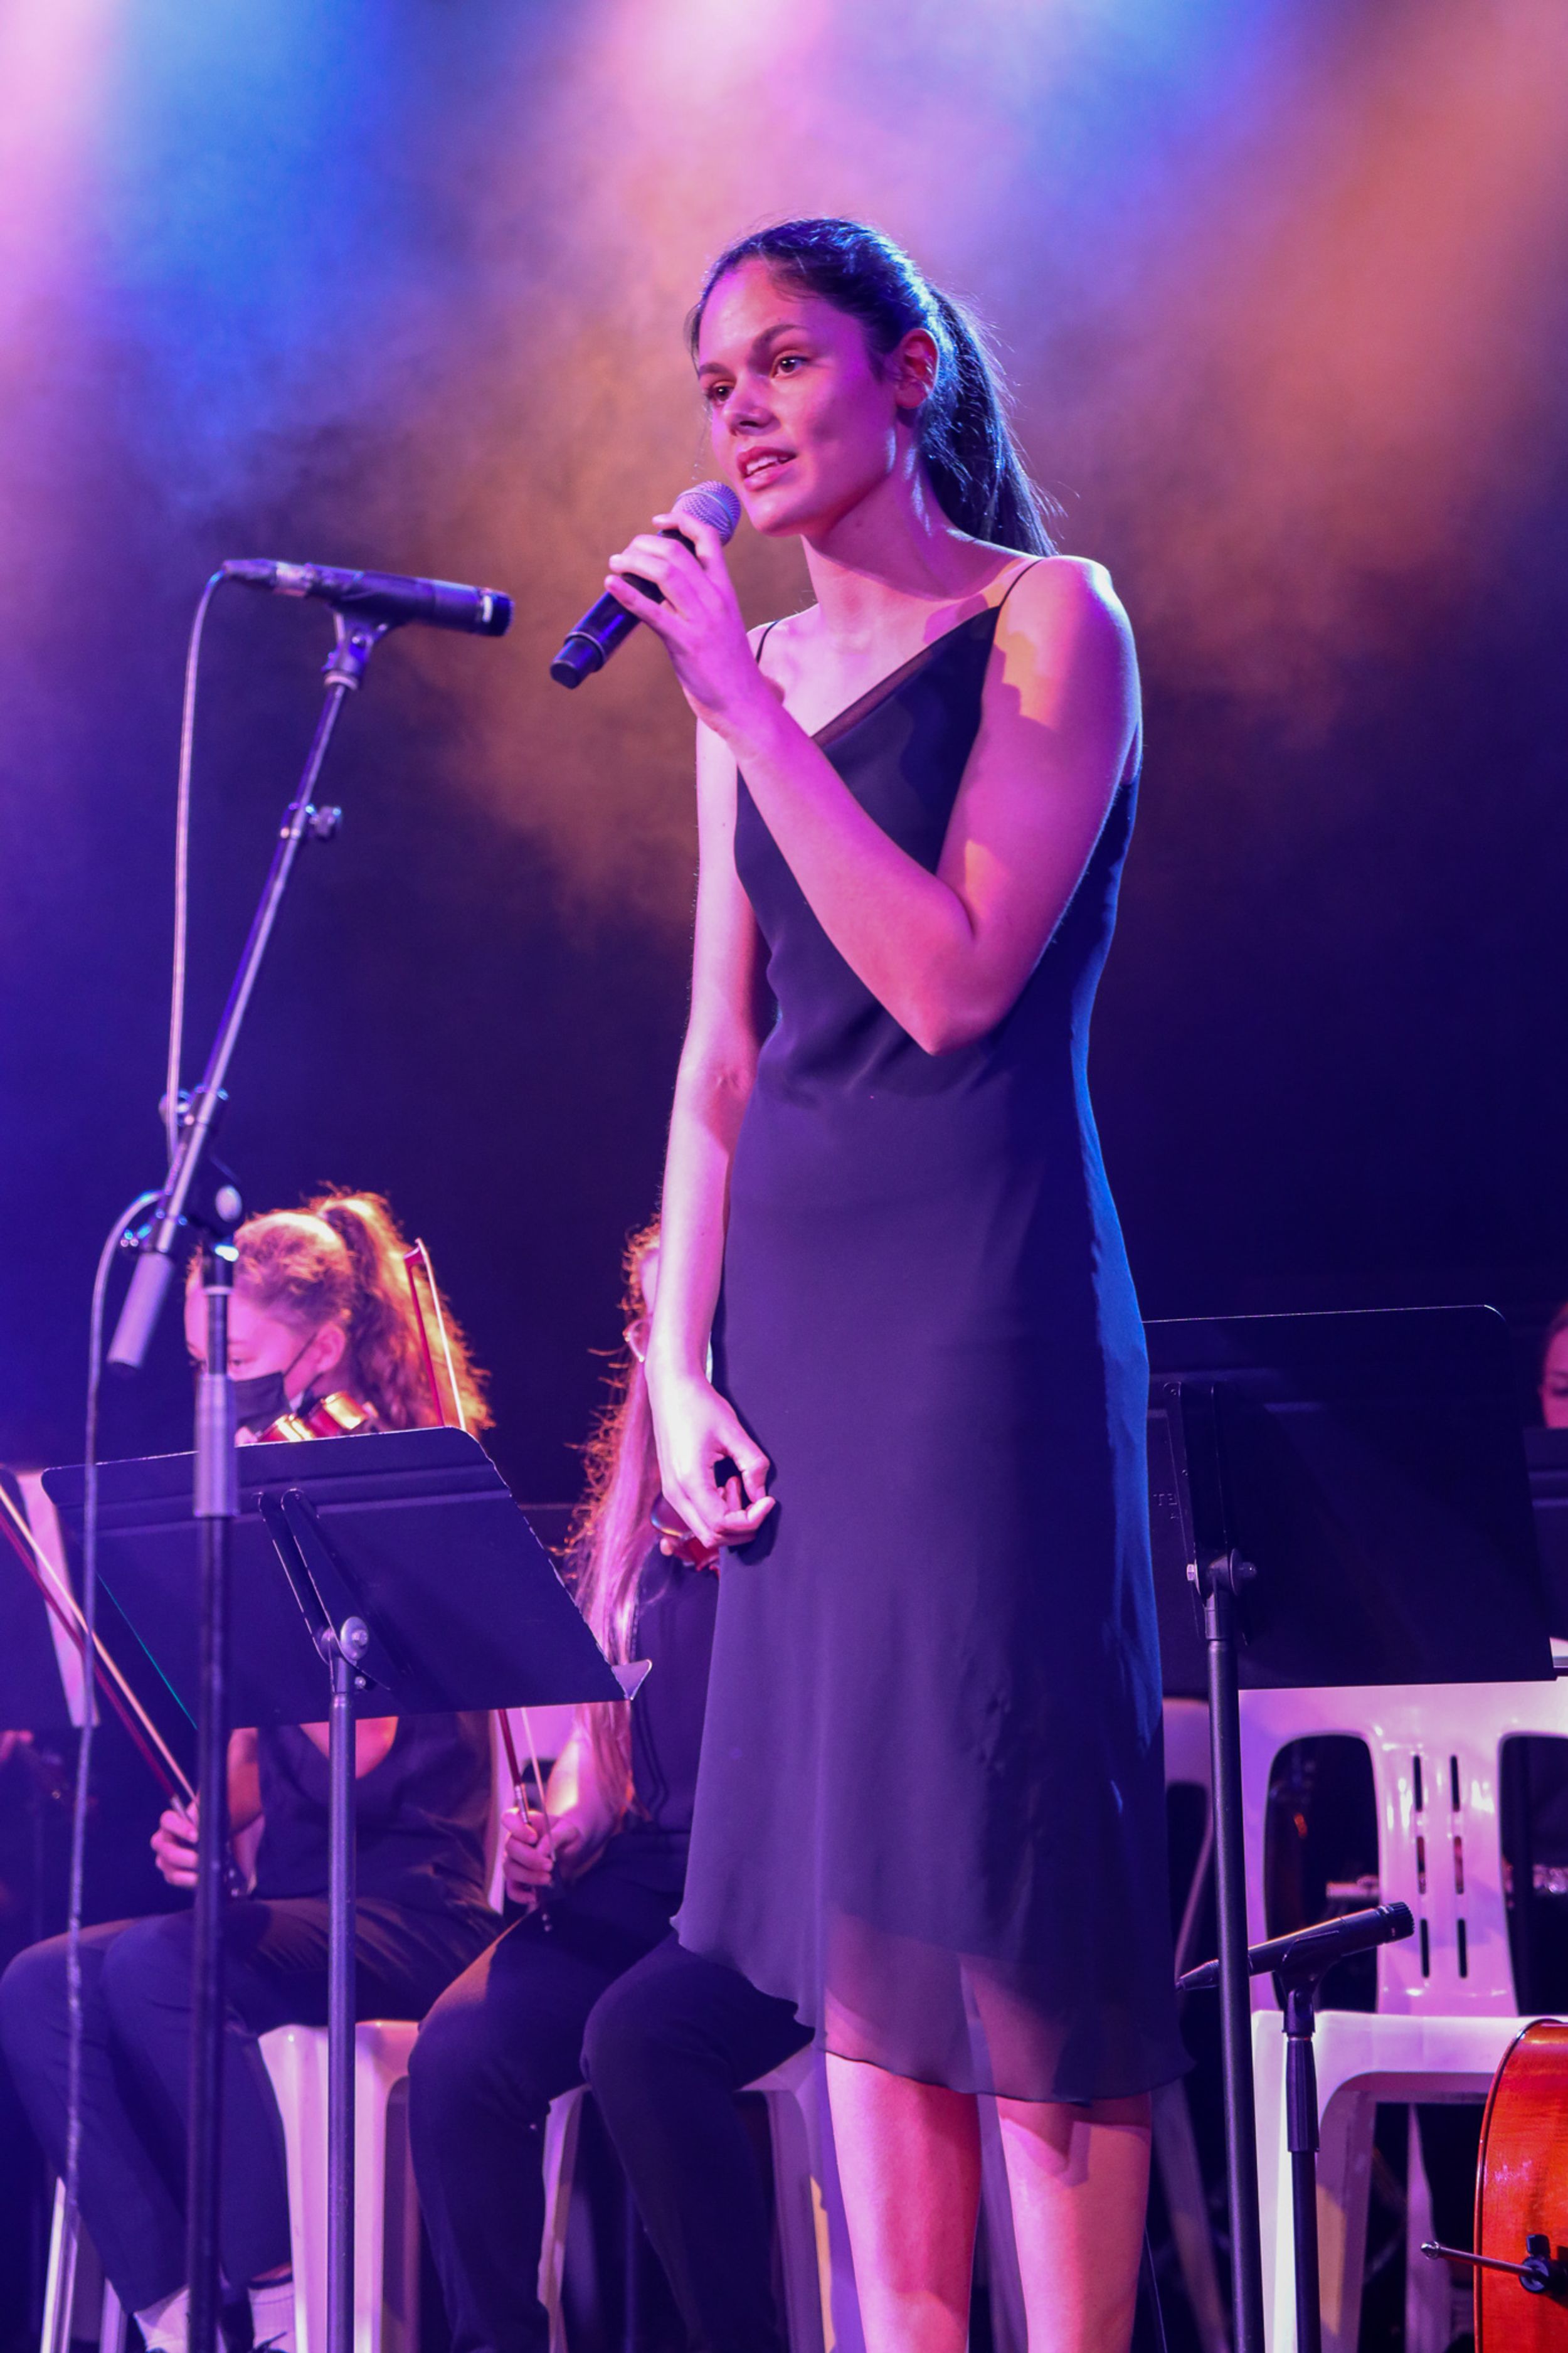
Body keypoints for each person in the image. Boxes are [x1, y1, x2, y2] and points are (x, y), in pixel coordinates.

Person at [603, 217, 1187, 2353]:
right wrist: (681, 1368)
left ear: (907, 370)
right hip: (805, 1343)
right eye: (716, 386)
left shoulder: (1053, 619)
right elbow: (720, 1060)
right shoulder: (747, 695)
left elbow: (949, 982)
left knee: (1007, 1882)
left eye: (784, 361)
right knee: (861, 1906)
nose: (745, 414)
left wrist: (746, 709)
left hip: (980, 1321)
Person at [0, 1192, 497, 2353]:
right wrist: (204, 1822)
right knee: (37, 1985)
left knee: (160, 1970)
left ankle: (282, 2308)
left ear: (321, 1351)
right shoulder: (255, 1497)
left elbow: (361, 1758)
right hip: (294, 1905)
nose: (213, 1391)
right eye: (199, 1364)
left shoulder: (385, 1497)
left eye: (236, 1362)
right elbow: (248, 1771)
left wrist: (286, 1582)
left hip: (414, 1906)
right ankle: (177, 2313)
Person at [408, 1222, 810, 2353]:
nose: (673, 1344)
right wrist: (570, 1826)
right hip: (650, 1880)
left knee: (639, 2040)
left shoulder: (808, 1478)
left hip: (783, 1885)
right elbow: (612, 1741)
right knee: (460, 2053)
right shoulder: (637, 1517)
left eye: (703, 1316)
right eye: (654, 1322)